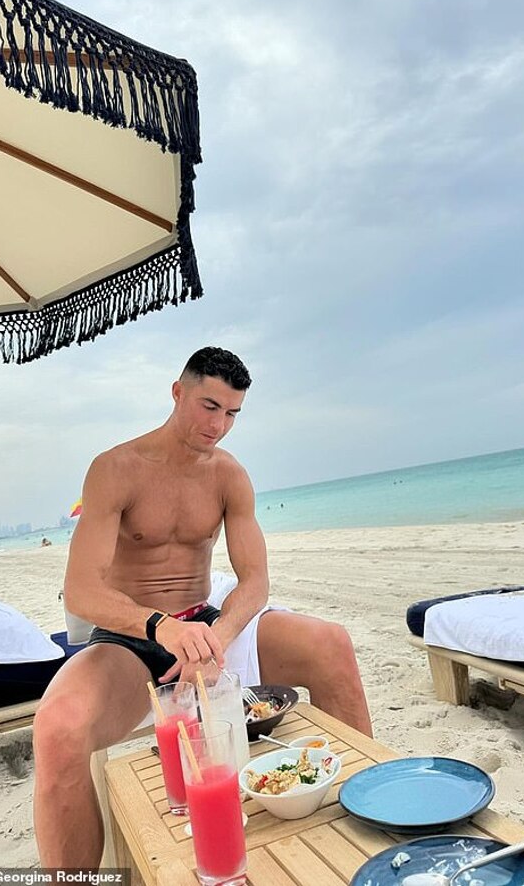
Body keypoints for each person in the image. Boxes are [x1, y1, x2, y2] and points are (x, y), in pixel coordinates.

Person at [33, 347, 372, 867]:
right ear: (178, 392)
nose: (219, 425)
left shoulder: (229, 475)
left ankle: (370, 817)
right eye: (209, 406)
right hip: (131, 638)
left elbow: (255, 581)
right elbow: (81, 591)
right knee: (57, 728)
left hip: (206, 626)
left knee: (331, 644)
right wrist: (161, 627)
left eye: (232, 413)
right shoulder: (115, 469)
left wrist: (219, 637)